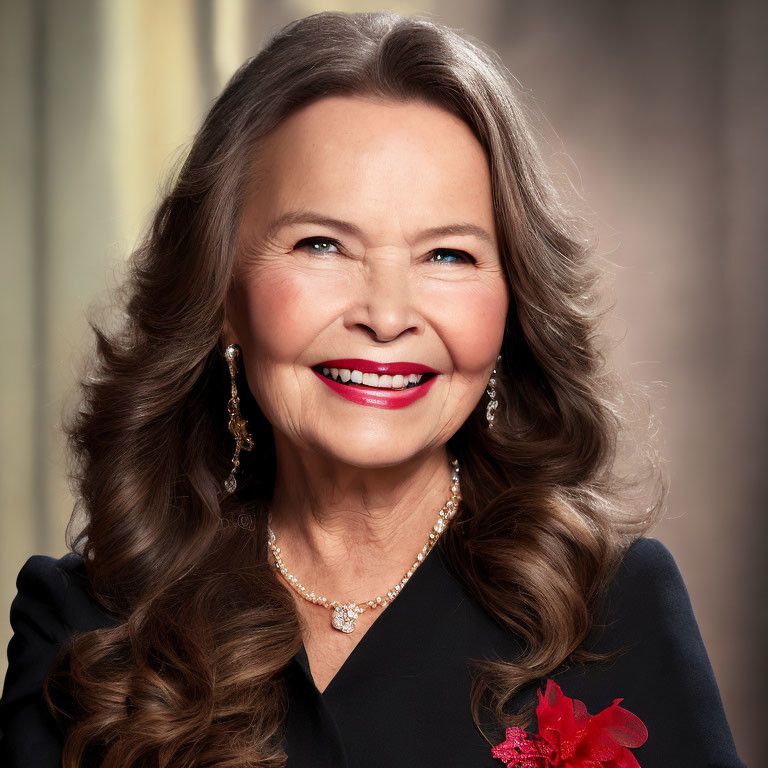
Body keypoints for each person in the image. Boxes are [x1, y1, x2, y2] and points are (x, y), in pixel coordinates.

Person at [0, 10, 746, 768]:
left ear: (513, 304)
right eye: (322, 244)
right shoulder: (85, 627)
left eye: (448, 255)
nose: (387, 316)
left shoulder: (613, 606)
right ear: (224, 294)